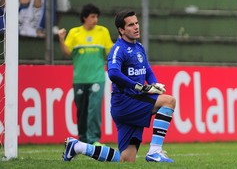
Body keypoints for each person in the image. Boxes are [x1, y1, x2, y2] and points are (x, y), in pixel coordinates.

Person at [63, 10, 177, 163]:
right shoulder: (118, 49)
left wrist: (154, 84)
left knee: (125, 159)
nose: (136, 27)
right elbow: (114, 73)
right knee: (169, 101)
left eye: (136, 23)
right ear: (121, 30)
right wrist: (140, 87)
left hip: (132, 102)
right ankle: (155, 151)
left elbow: (147, 69)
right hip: (126, 103)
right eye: (131, 25)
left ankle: (77, 146)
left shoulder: (139, 47)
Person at [58, 4, 114, 146]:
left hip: (97, 78)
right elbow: (66, 53)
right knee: (81, 110)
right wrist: (61, 39)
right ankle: (83, 139)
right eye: (92, 17)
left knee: (94, 109)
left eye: (97, 17)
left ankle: (94, 139)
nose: (95, 20)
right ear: (84, 18)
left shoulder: (103, 32)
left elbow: (110, 51)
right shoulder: (75, 33)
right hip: (80, 79)